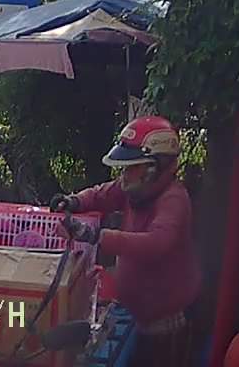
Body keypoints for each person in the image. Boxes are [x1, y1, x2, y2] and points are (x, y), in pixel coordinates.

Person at [50, 116, 201, 367]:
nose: (124, 174)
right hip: (133, 313)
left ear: (153, 168)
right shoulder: (136, 187)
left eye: (131, 167)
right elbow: (102, 194)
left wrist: (96, 236)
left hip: (164, 323)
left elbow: (156, 244)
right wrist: (74, 201)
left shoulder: (173, 199)